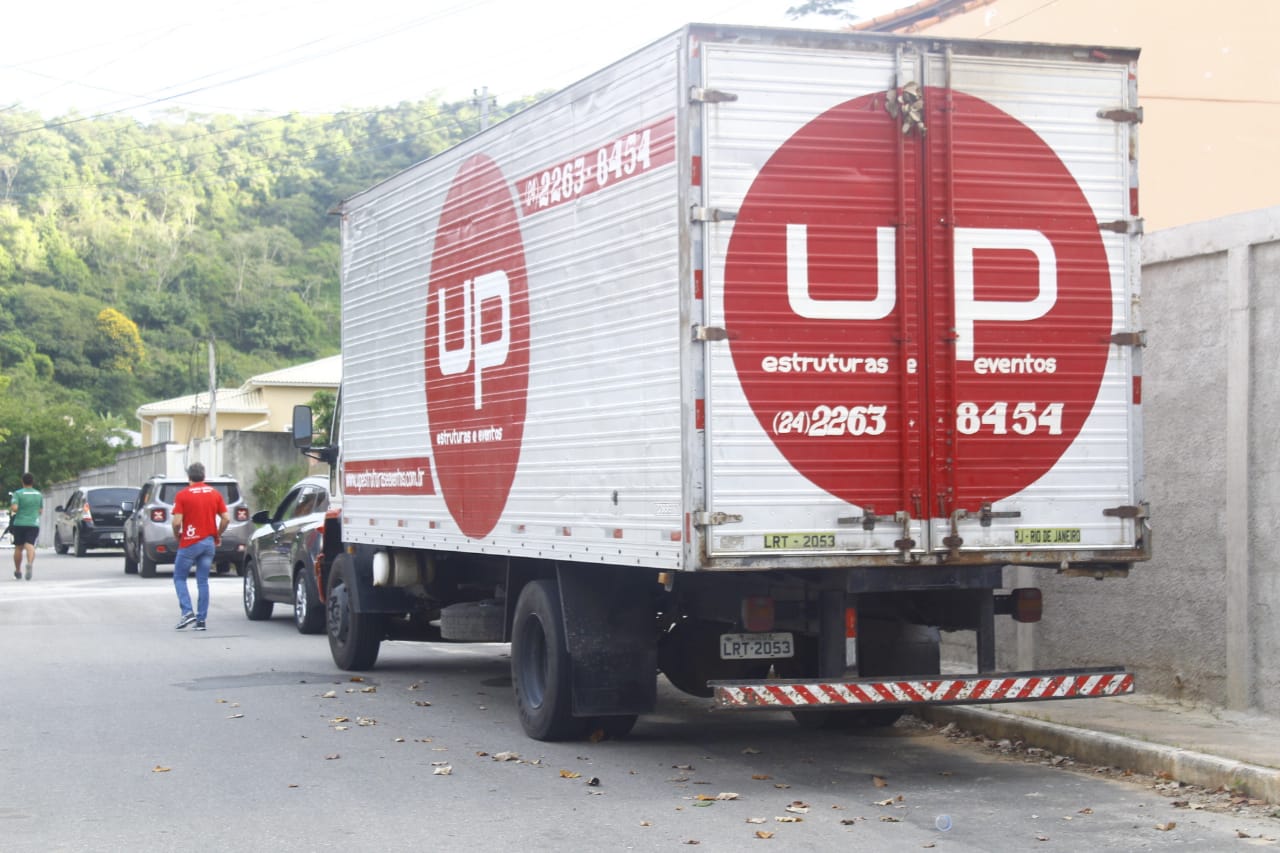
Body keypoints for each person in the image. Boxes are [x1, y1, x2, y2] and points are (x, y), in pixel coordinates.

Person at [170, 462, 229, 631]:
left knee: (179, 577)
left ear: (189, 476)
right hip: (208, 542)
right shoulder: (214, 493)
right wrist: (218, 534)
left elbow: (176, 522)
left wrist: (177, 535)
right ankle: (201, 621)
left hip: (190, 542)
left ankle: (187, 612)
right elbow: (226, 518)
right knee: (202, 582)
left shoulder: (183, 495)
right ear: (204, 475)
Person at [10, 473, 42, 581]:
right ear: (32, 482)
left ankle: (18, 571)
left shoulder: (18, 494)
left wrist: (21, 508)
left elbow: (14, 508)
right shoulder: (38, 494)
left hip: (19, 523)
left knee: (19, 547)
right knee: (30, 544)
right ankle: (29, 563)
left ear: (22, 481)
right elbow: (40, 510)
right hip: (33, 523)